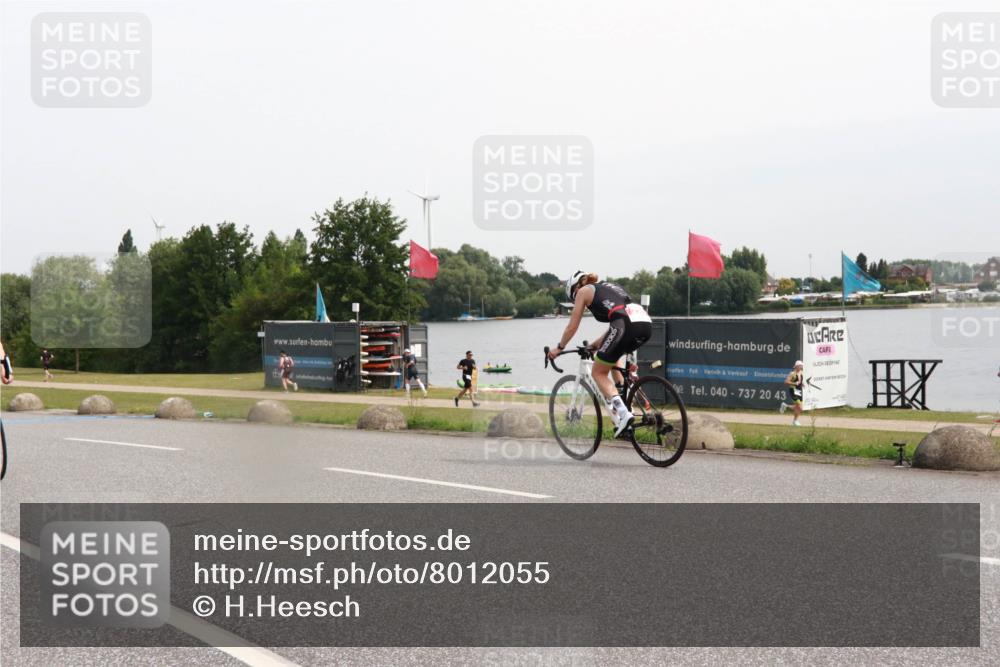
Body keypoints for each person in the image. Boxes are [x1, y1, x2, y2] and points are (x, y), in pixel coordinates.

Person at [549, 272, 652, 436]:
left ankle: (624, 414)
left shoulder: (583, 292)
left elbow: (572, 327)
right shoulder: (609, 286)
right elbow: (618, 319)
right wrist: (595, 345)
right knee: (612, 359)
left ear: (575, 289)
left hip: (625, 325)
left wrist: (559, 348)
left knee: (598, 372)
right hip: (644, 323)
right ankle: (627, 404)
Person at [779, 360, 804, 426]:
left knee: (799, 408)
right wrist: (794, 383)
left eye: (802, 366)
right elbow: (786, 381)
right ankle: (795, 421)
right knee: (799, 407)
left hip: (799, 391)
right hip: (793, 390)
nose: (802, 367)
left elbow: (800, 381)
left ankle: (786, 406)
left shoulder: (801, 373)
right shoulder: (792, 374)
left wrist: (802, 384)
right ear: (797, 366)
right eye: (800, 366)